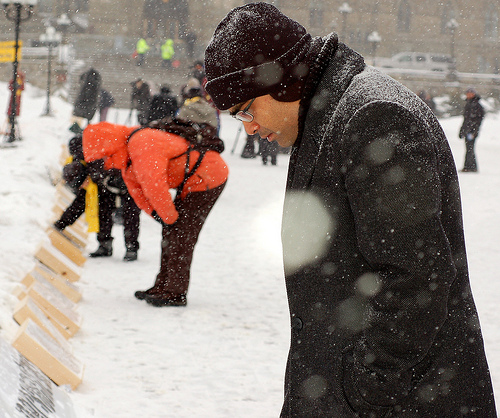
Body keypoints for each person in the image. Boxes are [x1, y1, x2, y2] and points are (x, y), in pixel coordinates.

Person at [204, 3, 496, 417]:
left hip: (398, 401)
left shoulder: (372, 116)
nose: (249, 127)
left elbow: (418, 277)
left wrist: (365, 387)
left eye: (246, 110)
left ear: (281, 81)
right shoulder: (328, 114)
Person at [82, 121, 228, 307]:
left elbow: (154, 185)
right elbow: (138, 193)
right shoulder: (128, 160)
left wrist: (169, 218)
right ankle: (162, 286)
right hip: (192, 179)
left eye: (103, 157)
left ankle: (175, 293)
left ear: (110, 145)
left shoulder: (142, 143)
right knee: (171, 234)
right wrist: (159, 216)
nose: (105, 164)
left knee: (182, 235)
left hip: (209, 175)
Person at [54, 135, 141, 262]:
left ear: (85, 177)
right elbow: (79, 203)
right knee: (103, 209)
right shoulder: (86, 168)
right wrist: (61, 224)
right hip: (108, 180)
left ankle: (131, 248)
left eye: (82, 185)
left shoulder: (99, 167)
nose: (83, 187)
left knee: (130, 214)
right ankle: (105, 245)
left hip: (130, 177)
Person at [459, 87, 484, 173]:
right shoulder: (468, 104)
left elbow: (478, 120)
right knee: (468, 148)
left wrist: (475, 131)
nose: (468, 95)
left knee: (470, 148)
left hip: (472, 131)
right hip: (467, 130)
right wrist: (462, 130)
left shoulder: (476, 105)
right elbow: (465, 119)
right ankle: (468, 166)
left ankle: (471, 166)